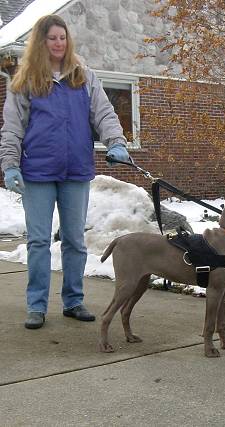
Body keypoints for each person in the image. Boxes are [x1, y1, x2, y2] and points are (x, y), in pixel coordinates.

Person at [0, 14, 130, 329]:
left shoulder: (83, 76)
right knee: (39, 241)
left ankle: (73, 301)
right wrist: (10, 164)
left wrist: (116, 142)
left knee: (74, 240)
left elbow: (104, 112)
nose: (58, 43)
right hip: (37, 173)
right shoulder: (26, 80)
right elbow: (13, 129)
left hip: (75, 172)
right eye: (52, 38)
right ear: (40, 42)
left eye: (63, 37)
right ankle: (37, 306)